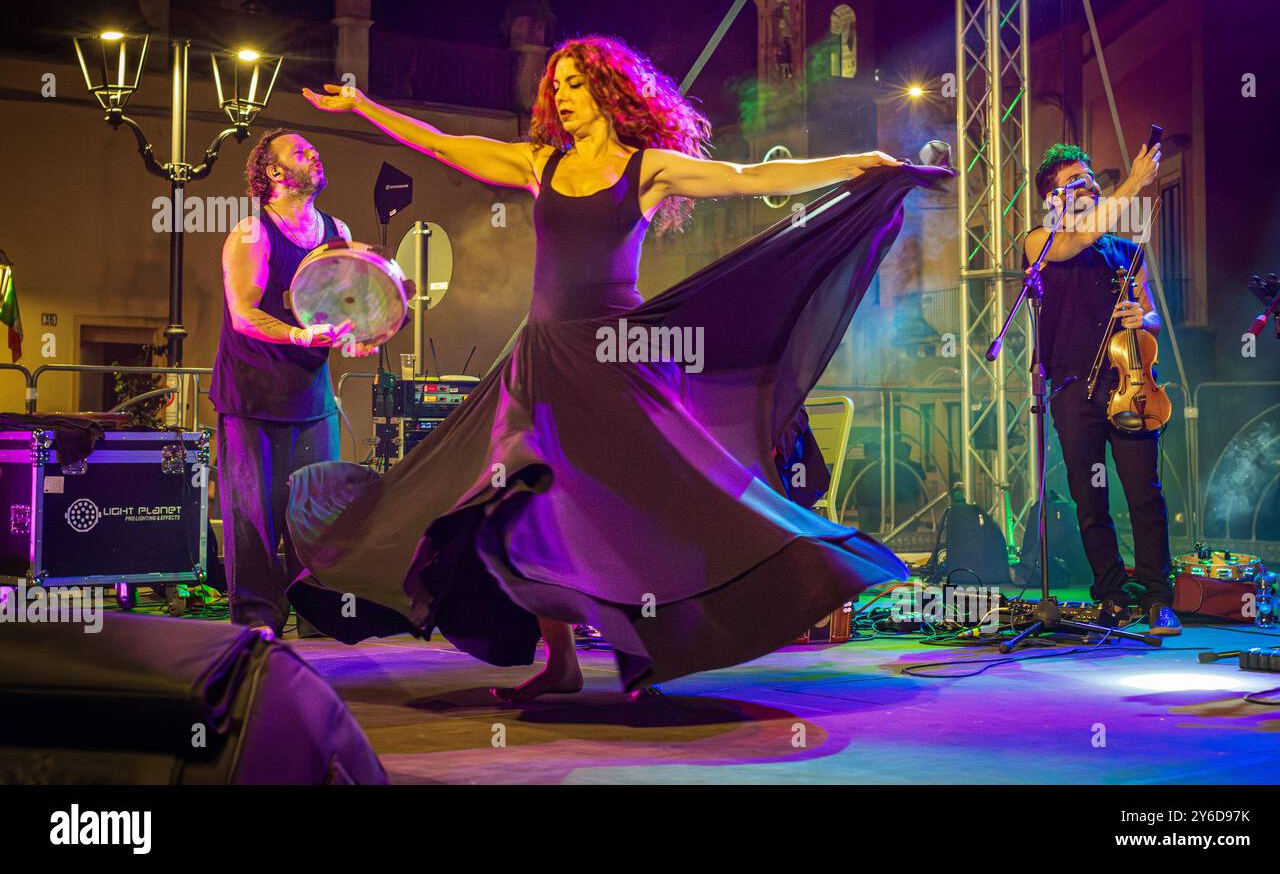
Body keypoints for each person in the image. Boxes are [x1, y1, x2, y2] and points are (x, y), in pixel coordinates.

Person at [288, 34, 953, 699]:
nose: (562, 99)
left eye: (576, 85)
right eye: (557, 88)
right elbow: (441, 145)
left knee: (636, 508)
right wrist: (364, 105)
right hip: (543, 358)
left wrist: (859, 164)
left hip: (618, 356)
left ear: (609, 91)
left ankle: (645, 655)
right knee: (526, 503)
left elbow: (749, 179)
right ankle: (562, 661)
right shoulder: (538, 163)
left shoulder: (649, 168)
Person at [209, 129, 376, 640]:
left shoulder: (336, 229)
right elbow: (243, 313)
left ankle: (316, 616)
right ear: (277, 174)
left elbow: (344, 305)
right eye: (301, 152)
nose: (314, 154)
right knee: (253, 518)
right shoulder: (252, 234)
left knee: (316, 511)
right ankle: (258, 621)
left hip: (309, 394)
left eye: (313, 149)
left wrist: (355, 335)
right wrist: (301, 335)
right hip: (251, 395)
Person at [1022, 141, 1180, 636]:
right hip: (1073, 391)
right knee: (1090, 498)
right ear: (1052, 199)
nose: (1089, 185)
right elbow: (1076, 241)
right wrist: (1132, 185)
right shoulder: (1042, 241)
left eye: (1091, 178)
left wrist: (1143, 316)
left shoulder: (1128, 252)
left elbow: (1151, 313)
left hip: (1130, 384)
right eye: (1074, 182)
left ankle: (1158, 597)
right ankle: (1112, 594)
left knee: (1144, 496)